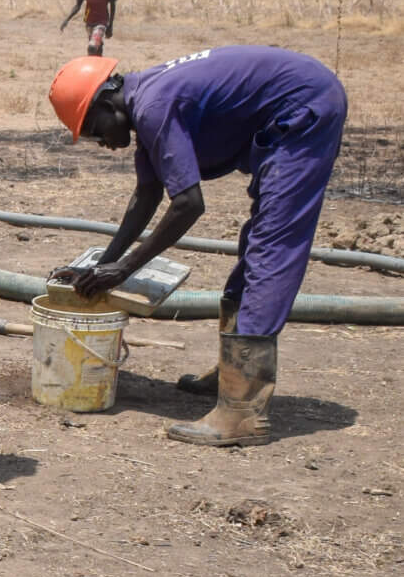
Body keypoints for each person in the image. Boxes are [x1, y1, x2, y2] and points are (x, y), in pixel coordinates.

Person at [47, 45, 349, 446]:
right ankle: (233, 372)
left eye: (93, 130)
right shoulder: (145, 102)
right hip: (293, 101)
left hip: (304, 107)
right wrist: (102, 264)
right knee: (257, 241)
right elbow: (146, 196)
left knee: (272, 245)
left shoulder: (154, 107)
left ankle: (242, 412)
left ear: (106, 103)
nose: (100, 142)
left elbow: (188, 204)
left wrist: (124, 269)